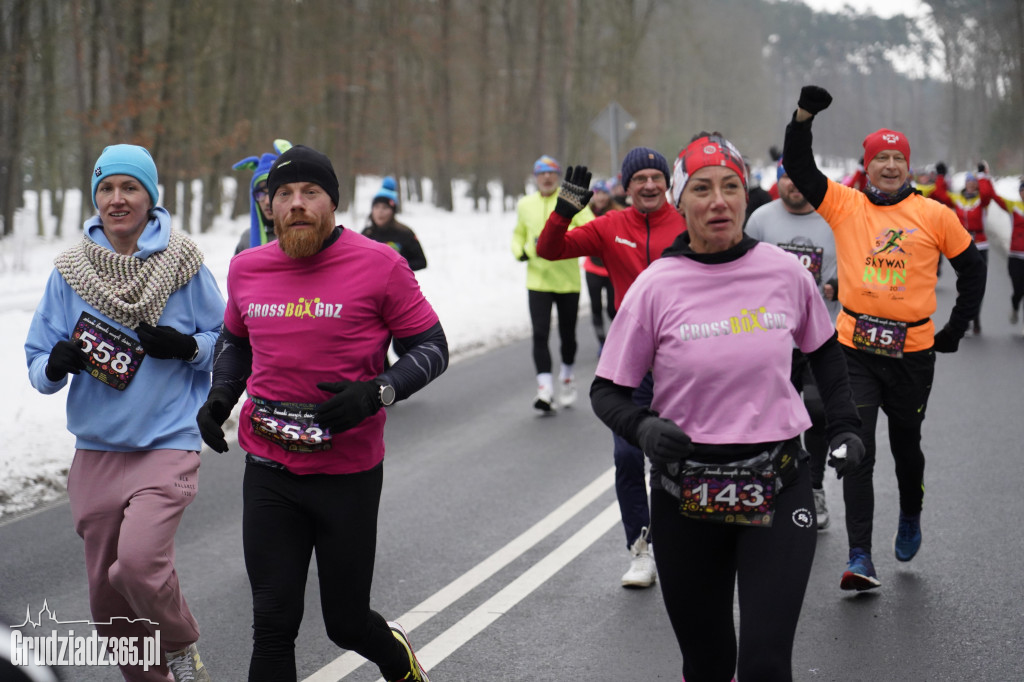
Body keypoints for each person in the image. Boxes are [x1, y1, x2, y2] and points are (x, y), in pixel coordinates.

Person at [590, 132, 863, 681]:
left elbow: (826, 354)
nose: (719, 201)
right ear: (680, 202)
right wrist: (642, 428)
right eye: (703, 189)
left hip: (778, 485)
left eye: (731, 187)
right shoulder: (655, 286)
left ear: (746, 197)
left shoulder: (785, 273)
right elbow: (607, 391)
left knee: (764, 665)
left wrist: (846, 426)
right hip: (685, 495)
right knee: (709, 663)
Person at [195, 145, 445, 682]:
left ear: (333, 201)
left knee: (347, 622)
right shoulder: (246, 268)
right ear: (269, 206)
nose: (297, 204)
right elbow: (235, 344)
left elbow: (432, 347)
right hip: (269, 470)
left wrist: (377, 392)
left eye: (310, 192)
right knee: (273, 622)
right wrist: (220, 396)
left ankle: (396, 658)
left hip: (347, 475)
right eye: (284, 194)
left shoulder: (379, 264)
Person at [24, 144, 225, 681]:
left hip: (166, 442)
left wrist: (186, 348)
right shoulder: (69, 271)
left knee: (136, 565)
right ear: (95, 197)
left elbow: (226, 338)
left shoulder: (182, 265)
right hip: (96, 450)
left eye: (129, 187)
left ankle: (181, 646)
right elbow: (36, 360)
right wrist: (55, 364)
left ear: (150, 196)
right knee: (108, 604)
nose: (117, 199)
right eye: (107, 188)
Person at [783, 85, 987, 591]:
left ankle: (911, 512)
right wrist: (804, 117)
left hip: (913, 354)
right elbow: (800, 167)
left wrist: (955, 330)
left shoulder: (936, 215)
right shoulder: (846, 206)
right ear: (867, 165)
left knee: (906, 445)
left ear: (909, 166)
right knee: (857, 447)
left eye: (899, 158)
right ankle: (859, 556)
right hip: (854, 347)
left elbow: (974, 272)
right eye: (882, 158)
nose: (891, 166)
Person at [536, 146, 683, 588]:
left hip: (684, 358)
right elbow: (549, 249)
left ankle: (681, 544)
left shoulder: (685, 222)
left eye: (656, 177)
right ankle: (640, 551)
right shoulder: (612, 225)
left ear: (668, 182)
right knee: (626, 455)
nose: (650, 185)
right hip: (631, 358)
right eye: (640, 179)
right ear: (626, 185)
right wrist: (564, 212)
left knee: (679, 458)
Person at [746, 157, 841, 531]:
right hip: (772, 339)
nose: (794, 185)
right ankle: (777, 484)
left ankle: (815, 487)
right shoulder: (761, 220)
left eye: (801, 179)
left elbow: (853, 266)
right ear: (779, 182)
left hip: (818, 333)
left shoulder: (833, 221)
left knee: (817, 412)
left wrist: (842, 288)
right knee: (774, 417)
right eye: (788, 178)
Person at [511, 155, 595, 412]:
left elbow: (590, 226)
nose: (546, 178)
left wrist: (563, 236)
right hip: (537, 280)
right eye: (541, 174)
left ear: (557, 177)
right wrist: (521, 251)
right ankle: (545, 388)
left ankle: (567, 376)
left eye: (551, 173)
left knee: (567, 336)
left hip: (567, 280)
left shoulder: (570, 201)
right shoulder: (525, 204)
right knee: (539, 333)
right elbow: (518, 234)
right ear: (535, 177)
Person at [930, 163, 994, 334]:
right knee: (963, 285)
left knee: (978, 284)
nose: (971, 184)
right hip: (962, 245)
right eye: (969, 182)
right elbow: (938, 193)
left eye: (974, 182)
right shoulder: (957, 199)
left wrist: (982, 176)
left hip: (980, 244)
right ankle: (966, 319)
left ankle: (976, 317)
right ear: (965, 184)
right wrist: (941, 175)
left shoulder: (982, 199)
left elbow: (988, 193)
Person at [233, 139, 292, 255]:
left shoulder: (303, 235)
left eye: (272, 192)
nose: (267, 201)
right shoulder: (247, 240)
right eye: (260, 193)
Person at [984, 176, 1024, 333]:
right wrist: (985, 177)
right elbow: (994, 196)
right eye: (1022, 190)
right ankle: (1015, 306)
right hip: (1015, 255)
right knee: (1018, 289)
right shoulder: (1013, 205)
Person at [362, 176, 427, 271]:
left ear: (393, 211)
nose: (380, 212)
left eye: (385, 208)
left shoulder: (405, 233)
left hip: (399, 284)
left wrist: (397, 267)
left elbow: (421, 262)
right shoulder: (367, 234)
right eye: (376, 207)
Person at [583, 180, 617, 354]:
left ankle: (617, 340)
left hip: (611, 269)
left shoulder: (616, 212)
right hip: (592, 268)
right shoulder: (585, 212)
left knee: (613, 309)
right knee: (596, 308)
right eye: (597, 193)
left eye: (604, 193)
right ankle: (602, 342)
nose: (600, 197)